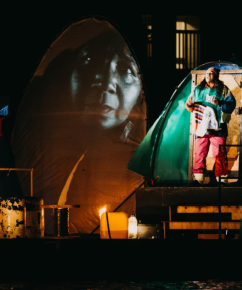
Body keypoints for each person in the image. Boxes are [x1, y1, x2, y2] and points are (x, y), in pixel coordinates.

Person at [12, 21, 145, 234]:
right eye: (90, 60)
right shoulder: (36, 142)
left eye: (126, 69)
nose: (105, 83)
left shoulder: (130, 163)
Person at [185, 67, 236, 184]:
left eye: (211, 73)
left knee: (220, 153)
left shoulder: (223, 90)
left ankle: (221, 178)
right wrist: (189, 103)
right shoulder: (198, 89)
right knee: (199, 152)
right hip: (201, 127)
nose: (208, 75)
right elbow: (189, 106)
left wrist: (221, 103)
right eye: (207, 73)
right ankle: (198, 178)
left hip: (218, 127)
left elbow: (231, 104)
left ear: (216, 76)